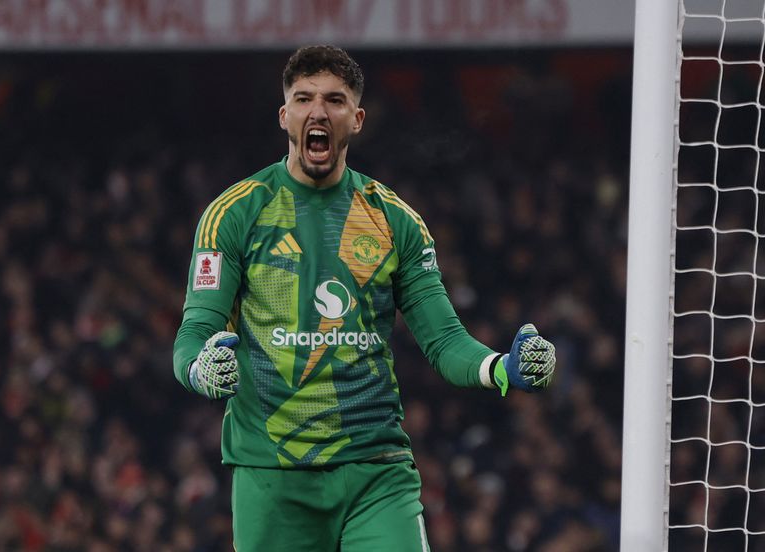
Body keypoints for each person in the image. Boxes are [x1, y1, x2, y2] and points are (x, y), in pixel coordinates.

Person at [173, 44, 556, 552]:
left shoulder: (396, 221)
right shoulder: (234, 214)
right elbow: (195, 332)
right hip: (272, 474)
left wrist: (501, 367)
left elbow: (444, 341)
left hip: (376, 473)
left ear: (356, 119)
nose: (318, 112)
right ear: (285, 115)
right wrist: (201, 370)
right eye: (304, 98)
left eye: (334, 100)